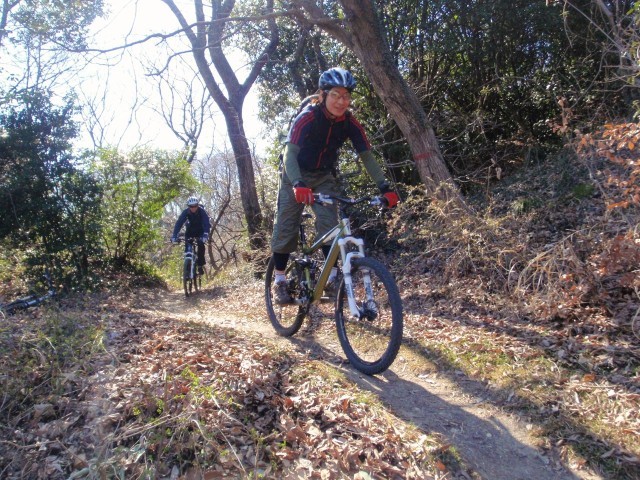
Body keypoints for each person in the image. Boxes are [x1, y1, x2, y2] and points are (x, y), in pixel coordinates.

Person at [271, 67, 399, 304]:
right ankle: (279, 281)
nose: (342, 101)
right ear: (323, 94)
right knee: (287, 225)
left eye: (346, 96)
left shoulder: (349, 123)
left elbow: (367, 156)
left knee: (330, 226)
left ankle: (330, 278)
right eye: (336, 95)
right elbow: (289, 153)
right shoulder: (307, 117)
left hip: (323, 177)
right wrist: (298, 184)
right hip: (294, 174)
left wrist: (385, 187)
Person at [171, 196, 211, 275]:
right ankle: (188, 268)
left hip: (200, 231)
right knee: (188, 249)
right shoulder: (186, 212)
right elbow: (179, 223)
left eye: (195, 206)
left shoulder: (202, 211)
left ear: (197, 205)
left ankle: (200, 265)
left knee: (201, 245)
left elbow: (207, 223)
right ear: (188, 206)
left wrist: (206, 234)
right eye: (191, 206)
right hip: (190, 232)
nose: (193, 208)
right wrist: (174, 235)